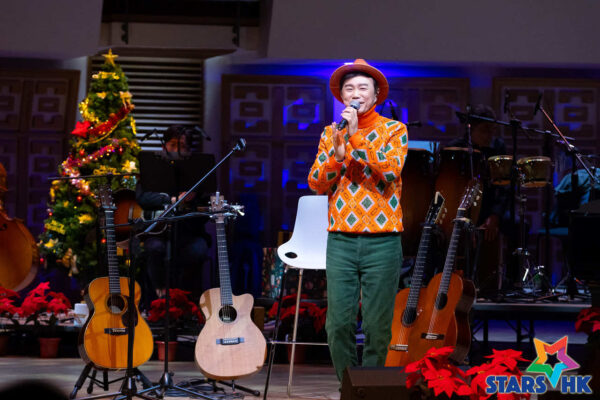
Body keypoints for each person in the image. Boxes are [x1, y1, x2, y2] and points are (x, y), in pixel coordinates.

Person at [307, 59, 408, 381]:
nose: (355, 93)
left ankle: (372, 388)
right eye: (349, 88)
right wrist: (337, 157)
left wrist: (356, 139)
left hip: (383, 240)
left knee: (378, 326)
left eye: (363, 88)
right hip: (341, 240)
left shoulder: (395, 130)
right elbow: (316, 184)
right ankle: (349, 388)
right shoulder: (330, 133)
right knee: (338, 324)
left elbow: (390, 170)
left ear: (376, 95)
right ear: (341, 97)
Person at [136, 125, 210, 304]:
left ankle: (184, 299)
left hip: (188, 235)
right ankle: (158, 297)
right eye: (173, 145)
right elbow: (142, 197)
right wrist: (172, 199)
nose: (177, 150)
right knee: (154, 248)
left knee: (198, 249)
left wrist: (191, 201)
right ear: (164, 147)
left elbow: (205, 210)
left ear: (189, 151)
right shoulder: (153, 170)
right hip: (158, 233)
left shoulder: (198, 173)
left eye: (182, 146)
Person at [447, 105, 510, 293]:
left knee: (512, 225)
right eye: (484, 130)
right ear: (470, 129)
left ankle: (498, 282)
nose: (489, 135)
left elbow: (504, 188)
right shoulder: (456, 148)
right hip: (460, 210)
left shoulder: (498, 148)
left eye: (492, 130)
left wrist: (494, 216)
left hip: (488, 208)